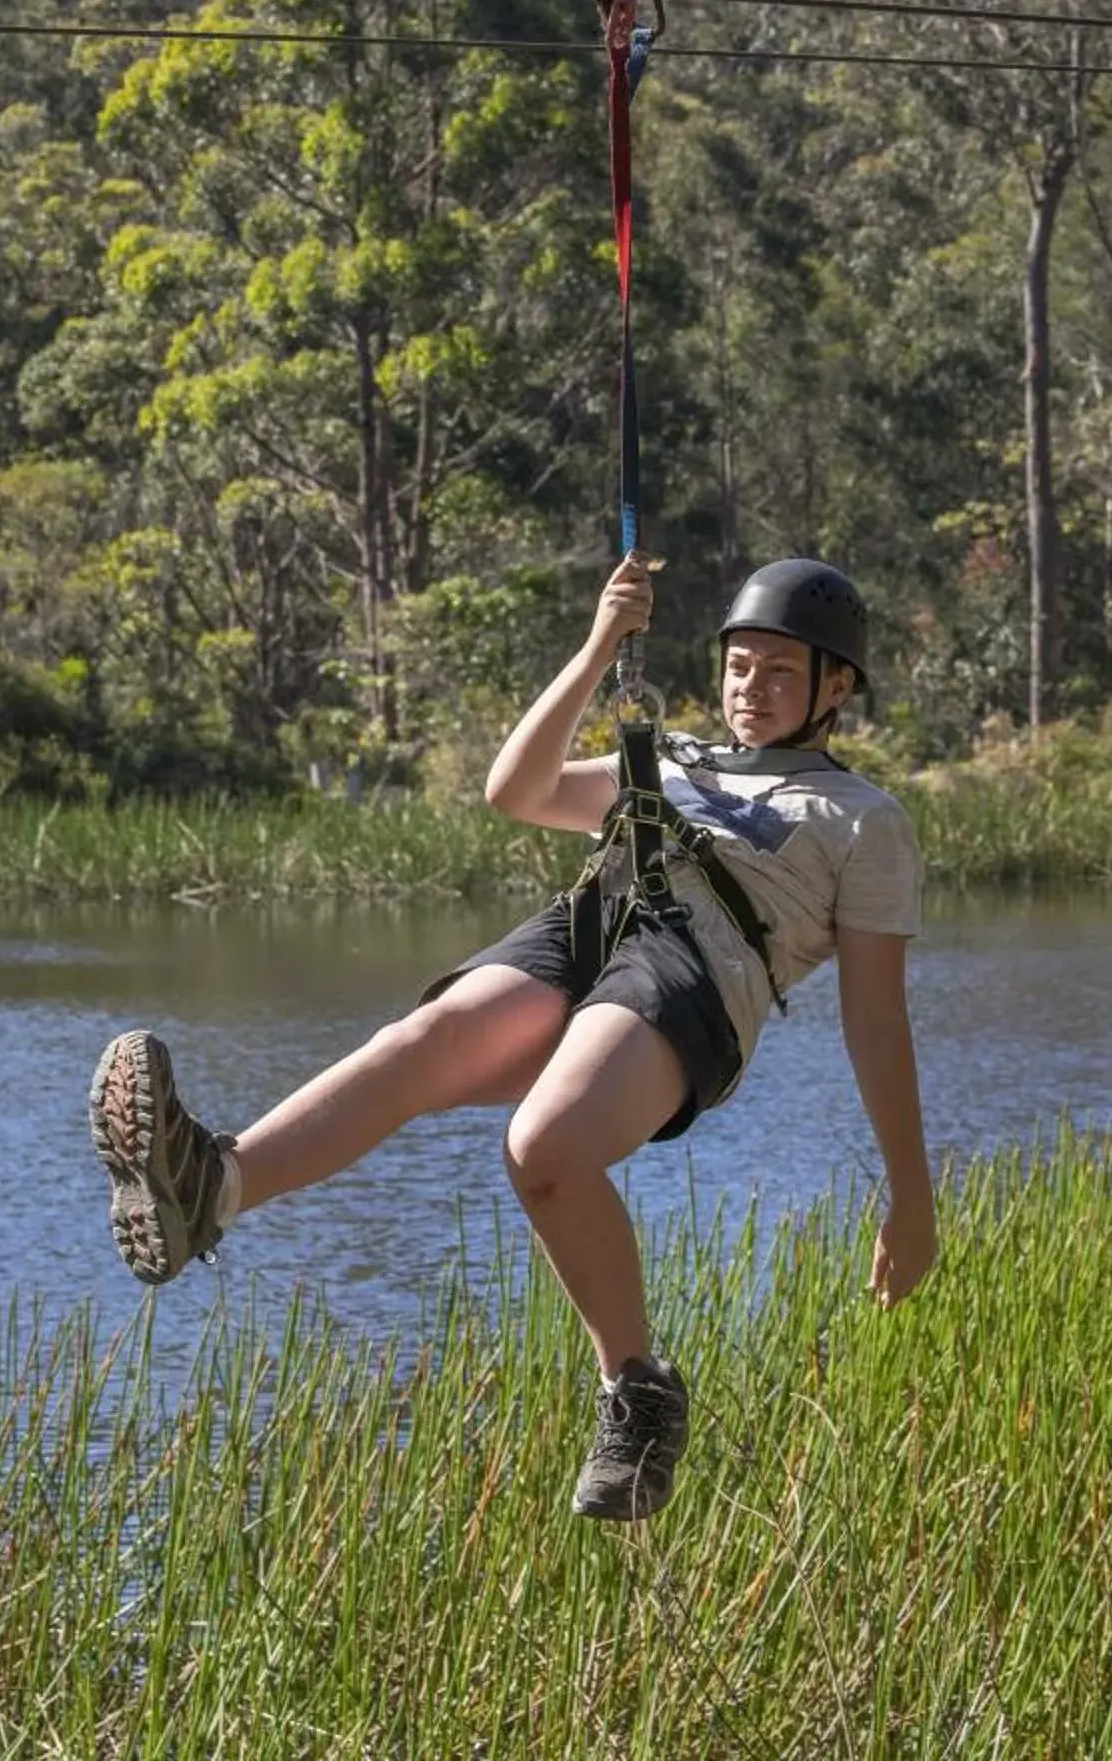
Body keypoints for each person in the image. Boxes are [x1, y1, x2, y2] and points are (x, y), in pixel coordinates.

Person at [87, 555, 934, 1521]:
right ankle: (213, 1187)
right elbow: (516, 790)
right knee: (423, 1038)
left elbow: (875, 1018)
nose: (753, 688)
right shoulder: (671, 758)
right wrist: (598, 648)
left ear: (837, 688)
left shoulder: (863, 820)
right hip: (590, 925)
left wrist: (910, 1197)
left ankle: (638, 1394)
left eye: (782, 671)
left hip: (697, 973)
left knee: (543, 1150)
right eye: (741, 665)